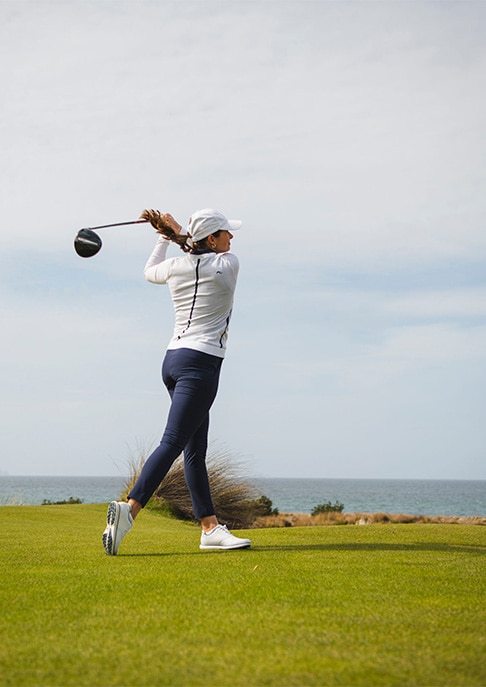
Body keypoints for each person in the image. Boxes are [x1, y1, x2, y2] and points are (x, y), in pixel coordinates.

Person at [102, 208, 251, 555]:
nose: (232, 238)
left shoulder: (175, 266)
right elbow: (196, 248)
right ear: (212, 239)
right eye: (226, 233)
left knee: (194, 450)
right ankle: (130, 509)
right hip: (201, 366)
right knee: (172, 442)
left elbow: (150, 269)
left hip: (173, 361)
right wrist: (173, 230)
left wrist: (163, 235)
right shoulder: (227, 266)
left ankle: (210, 528)